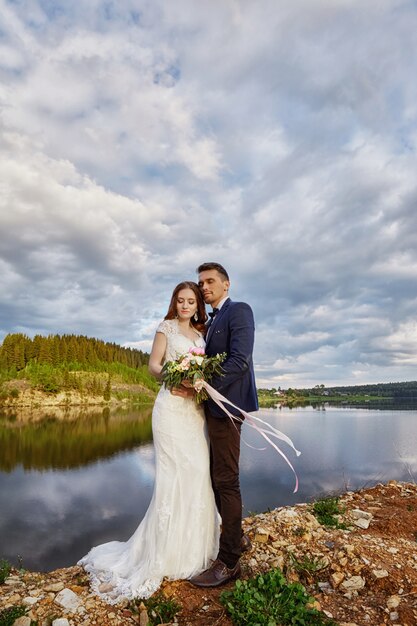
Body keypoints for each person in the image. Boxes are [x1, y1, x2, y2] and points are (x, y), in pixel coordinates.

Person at [78, 281, 219, 603]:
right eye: (180, 301)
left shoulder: (200, 336)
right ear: (175, 303)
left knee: (197, 473)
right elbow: (153, 366)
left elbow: (206, 370)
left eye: (191, 301)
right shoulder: (165, 329)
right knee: (174, 477)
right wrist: (175, 374)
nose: (185, 306)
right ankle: (166, 553)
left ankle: (194, 548)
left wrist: (198, 383)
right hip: (170, 410)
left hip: (193, 412)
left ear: (198, 305)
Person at [189, 262, 258, 587]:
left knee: (226, 481)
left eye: (210, 281)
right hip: (211, 410)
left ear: (227, 284)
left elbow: (239, 362)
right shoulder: (211, 321)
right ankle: (237, 538)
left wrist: (202, 381)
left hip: (227, 409)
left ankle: (229, 560)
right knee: (217, 479)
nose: (204, 287)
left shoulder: (239, 311)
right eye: (201, 282)